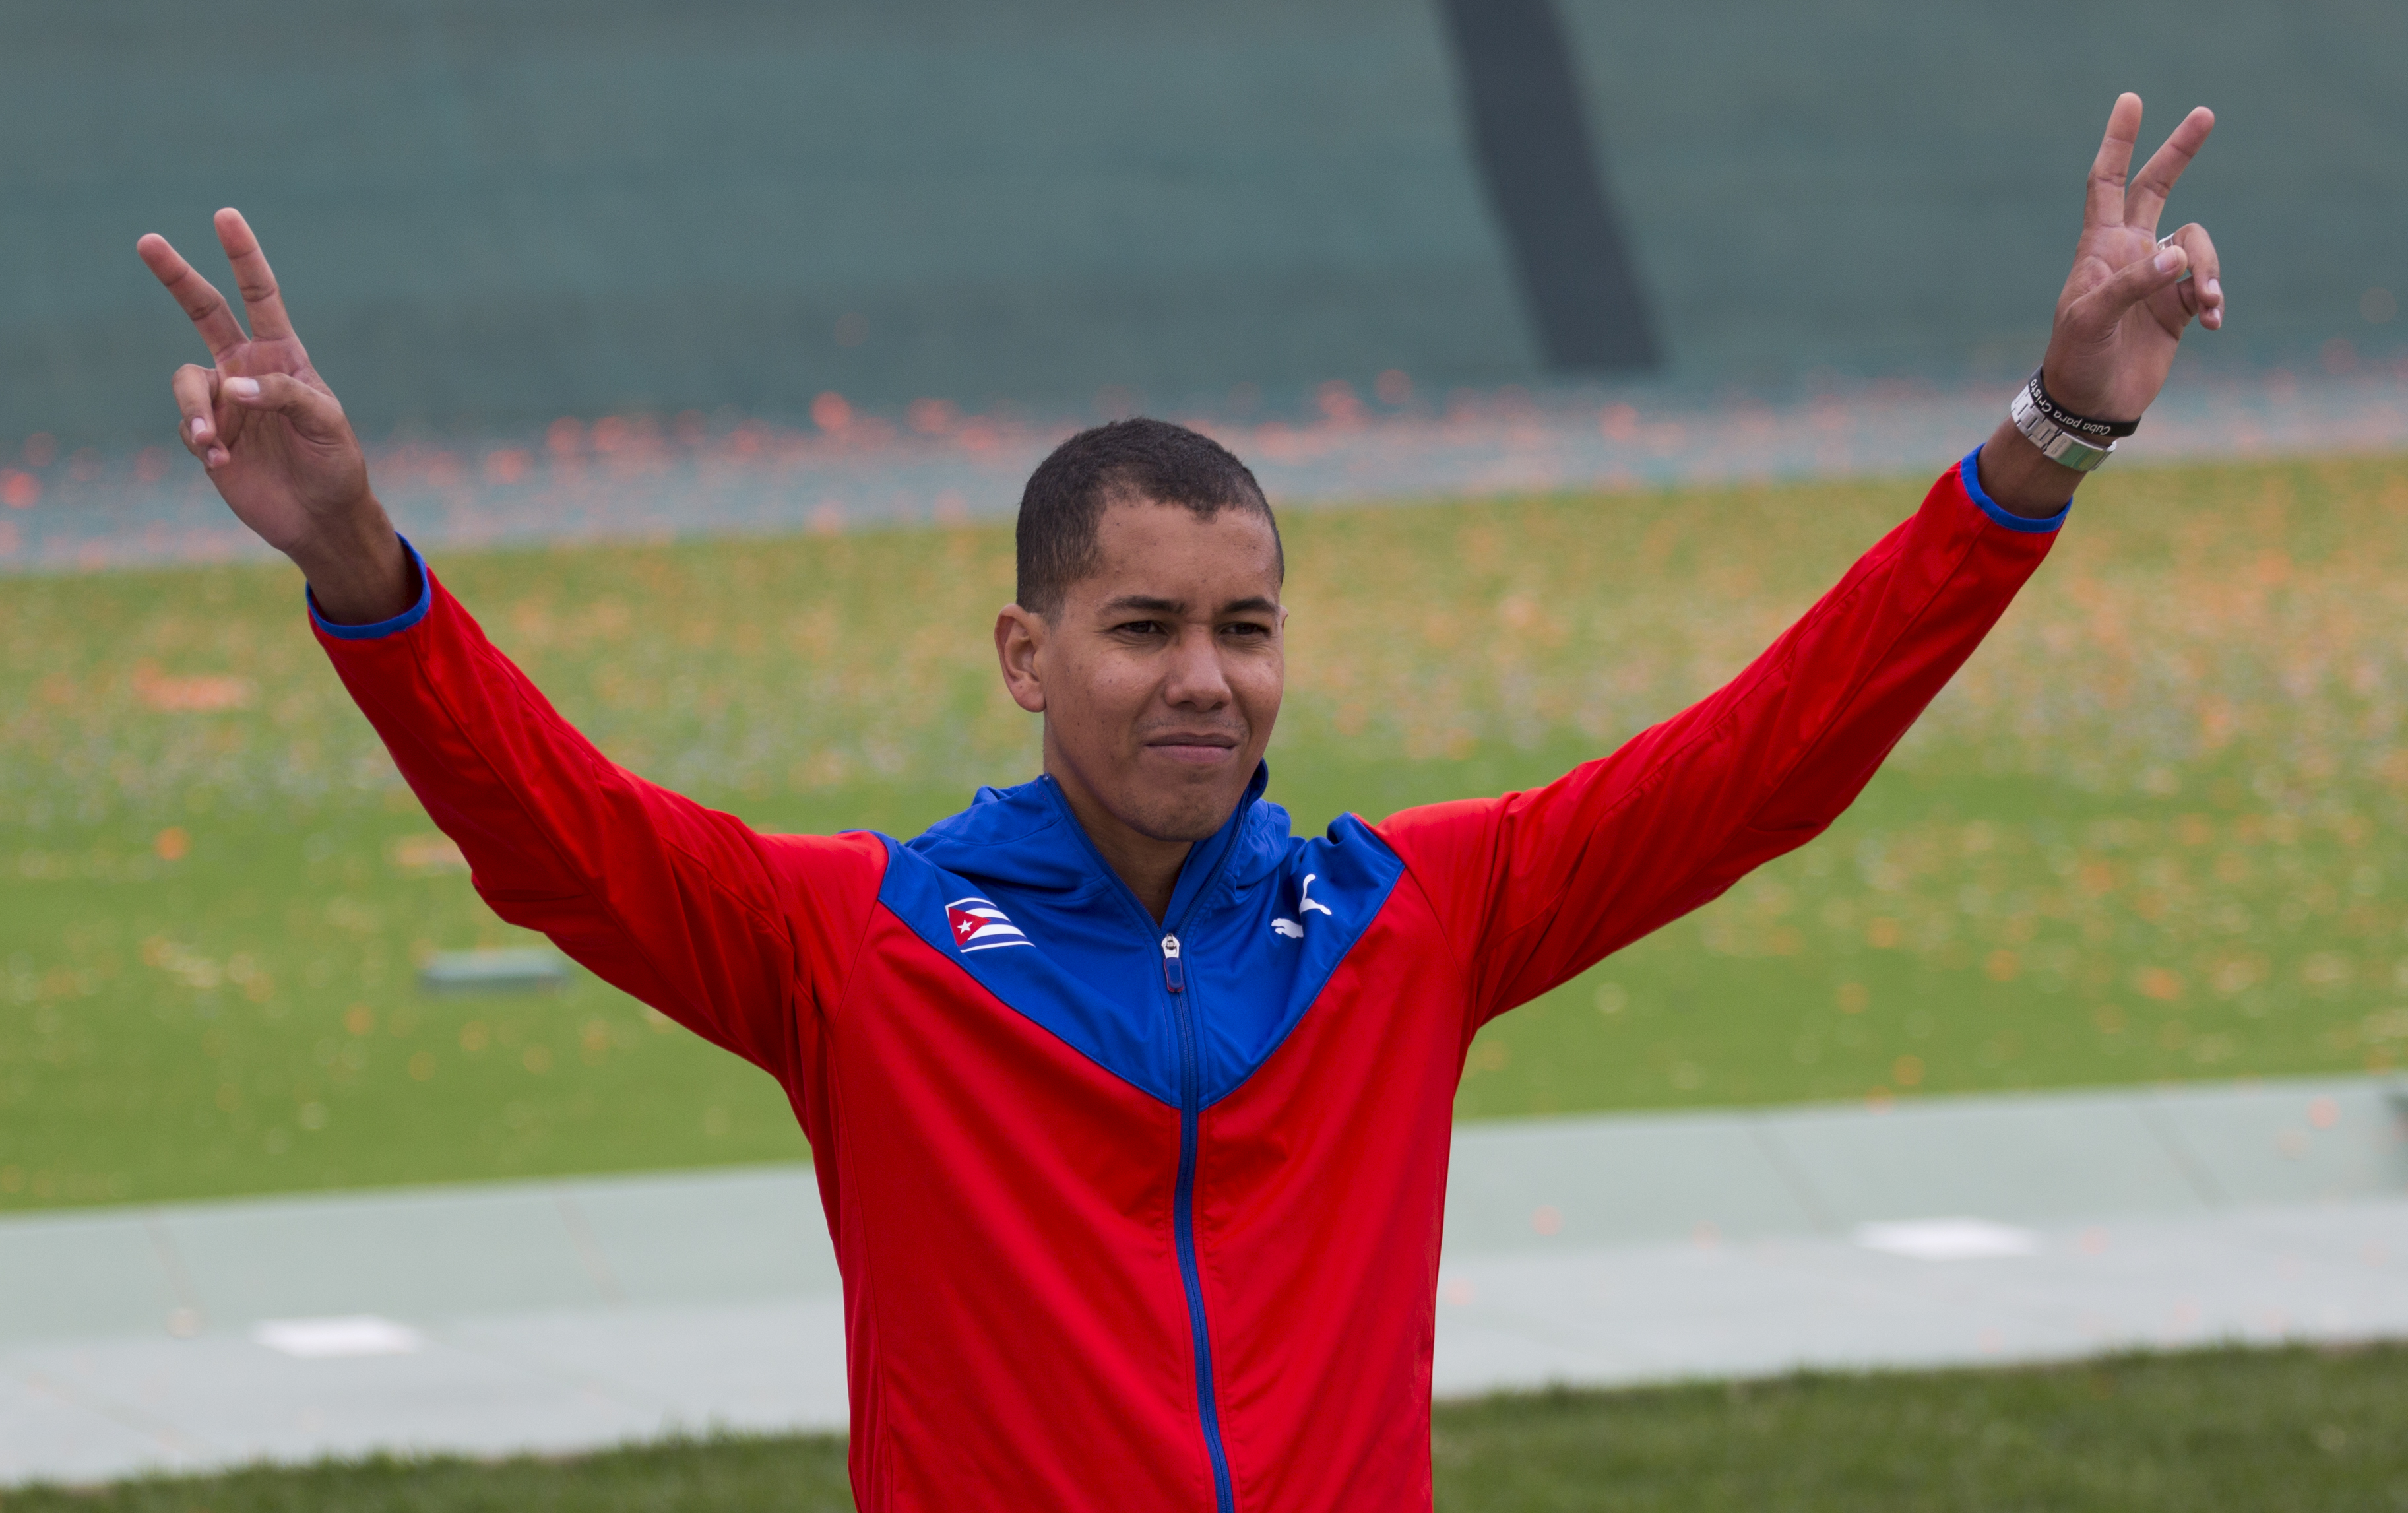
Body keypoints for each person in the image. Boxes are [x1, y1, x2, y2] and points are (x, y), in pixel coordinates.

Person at [138, 94, 2221, 1513]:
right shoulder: (851, 945)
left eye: (1246, 624)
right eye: (1141, 626)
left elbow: (1771, 758)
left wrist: (2045, 439)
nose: (1204, 678)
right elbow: (551, 835)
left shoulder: (1414, 912)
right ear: (1027, 658)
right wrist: (358, 565)